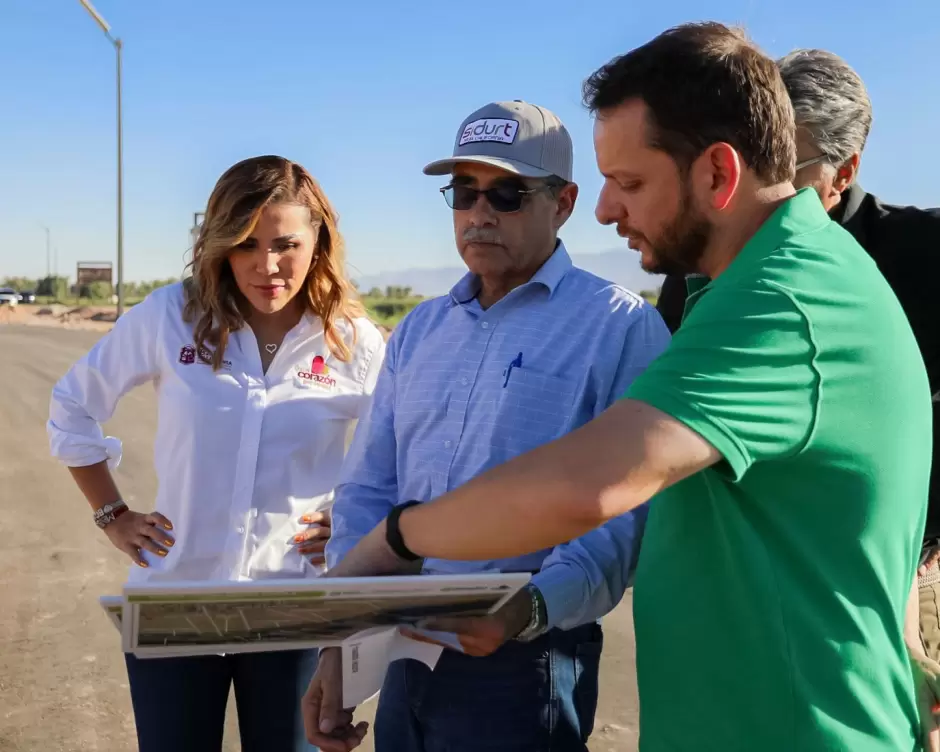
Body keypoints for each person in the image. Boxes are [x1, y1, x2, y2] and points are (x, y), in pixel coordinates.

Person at [301, 24, 934, 752]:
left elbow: (587, 490)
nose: (606, 209)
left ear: (719, 175)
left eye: (630, 182)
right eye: (464, 192)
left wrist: (398, 538)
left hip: (796, 727)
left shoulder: (781, 302)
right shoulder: (736, 291)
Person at [302, 99, 671, 752]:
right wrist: (343, 635)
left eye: (506, 193)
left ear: (563, 203)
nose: (480, 213)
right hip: (401, 653)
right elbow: (367, 490)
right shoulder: (420, 329)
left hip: (523, 667)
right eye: (464, 193)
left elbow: (622, 525)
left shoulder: (620, 329)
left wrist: (526, 610)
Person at [47, 155, 386, 752]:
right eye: (245, 244)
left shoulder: (353, 339)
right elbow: (73, 404)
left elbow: (401, 452)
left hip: (296, 610)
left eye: (286, 243)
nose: (267, 265)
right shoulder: (171, 316)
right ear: (218, 245)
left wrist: (357, 519)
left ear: (319, 242)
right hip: (177, 606)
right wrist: (112, 514)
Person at [656, 45, 940, 676]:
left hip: (892, 582)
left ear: (846, 167)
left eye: (791, 163)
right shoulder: (704, 268)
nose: (764, 183)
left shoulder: (925, 256)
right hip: (739, 583)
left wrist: (926, 548)